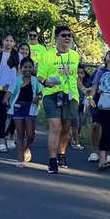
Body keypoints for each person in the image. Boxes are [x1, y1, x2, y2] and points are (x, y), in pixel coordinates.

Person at [37, 25, 80, 174]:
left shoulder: (75, 55)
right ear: (56, 38)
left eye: (69, 35)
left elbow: (75, 76)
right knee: (56, 127)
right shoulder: (47, 55)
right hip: (52, 94)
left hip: (70, 95)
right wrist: (45, 82)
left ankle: (62, 154)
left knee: (65, 129)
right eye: (64, 35)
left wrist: (85, 90)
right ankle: (52, 160)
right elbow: (40, 75)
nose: (67, 38)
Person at [4, 57, 43, 166]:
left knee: (30, 134)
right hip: (18, 108)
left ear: (33, 68)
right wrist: (6, 100)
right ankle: (20, 159)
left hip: (30, 108)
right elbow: (10, 92)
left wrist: (38, 98)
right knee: (20, 134)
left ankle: (27, 148)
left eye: (30, 67)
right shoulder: (17, 80)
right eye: (25, 67)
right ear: (21, 68)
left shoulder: (35, 80)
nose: (27, 69)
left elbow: (40, 93)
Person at [0, 34, 19, 152]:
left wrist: (13, 86)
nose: (8, 42)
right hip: (0, 88)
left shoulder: (18, 56)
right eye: (7, 40)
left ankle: (10, 135)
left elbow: (19, 73)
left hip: (14, 89)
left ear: (14, 43)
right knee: (2, 116)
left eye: (11, 41)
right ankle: (1, 140)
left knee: (14, 116)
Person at [71, 65, 92, 149]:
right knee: (76, 124)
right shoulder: (73, 84)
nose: (79, 75)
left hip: (82, 106)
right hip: (74, 105)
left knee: (80, 124)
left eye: (81, 73)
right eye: (78, 73)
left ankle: (75, 138)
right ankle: (76, 142)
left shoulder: (86, 85)